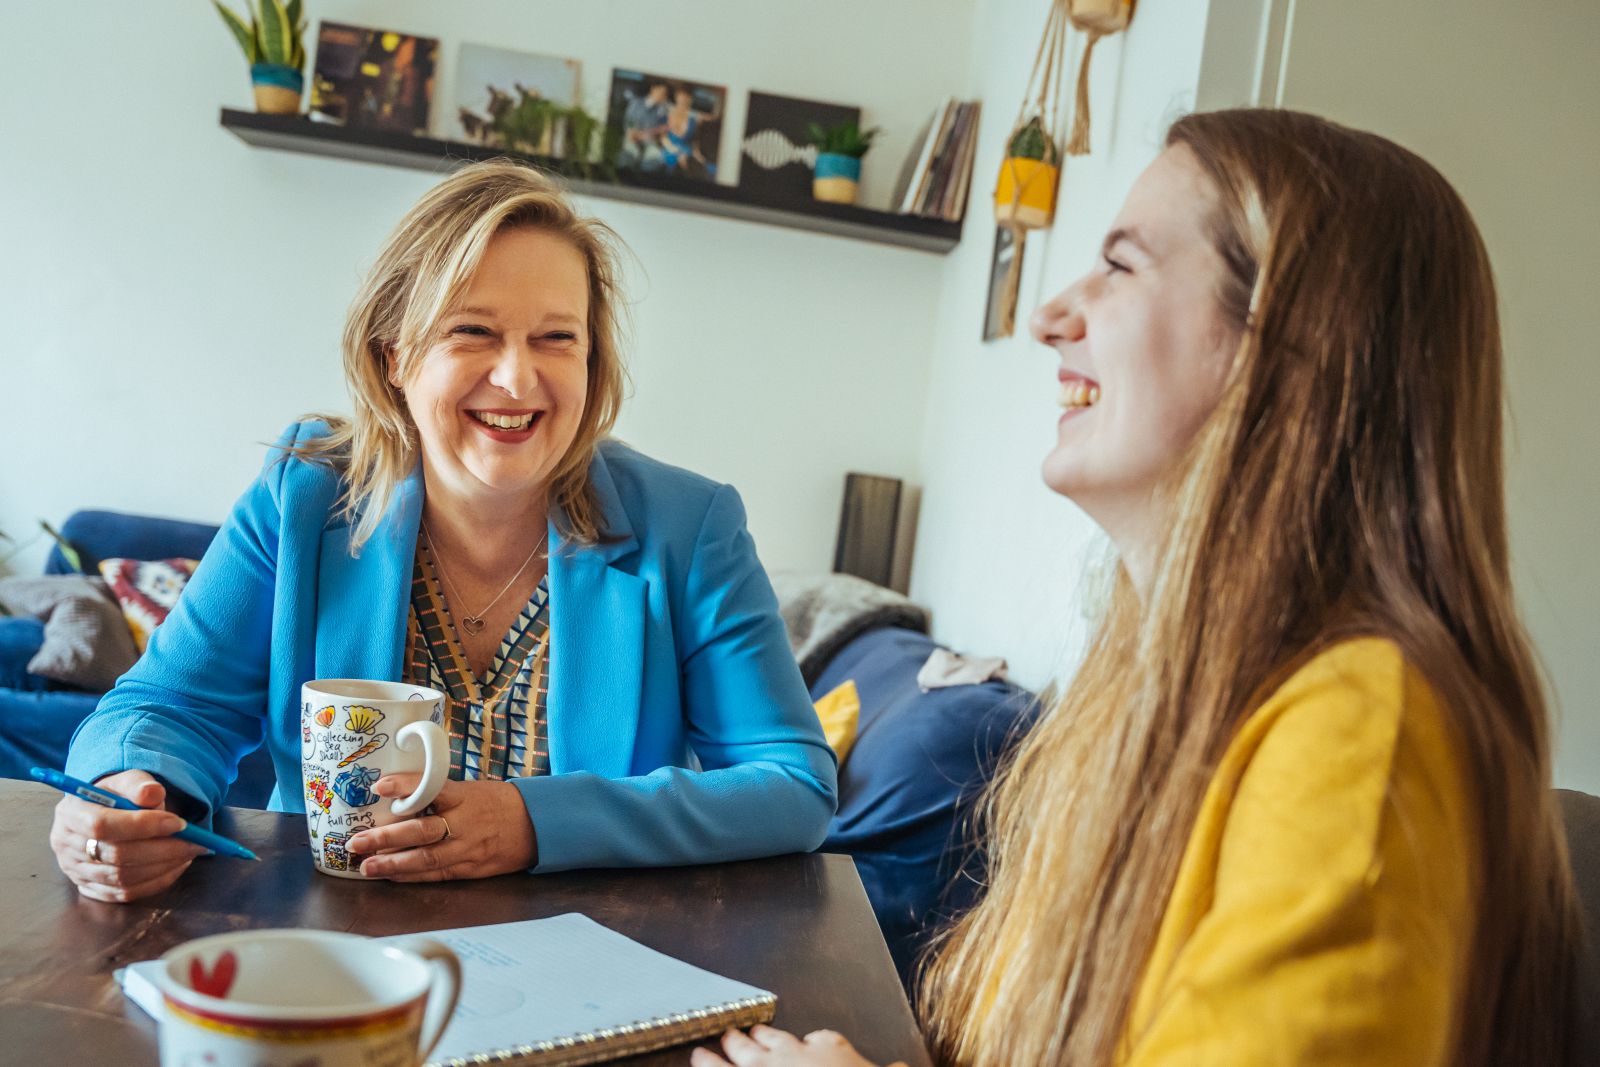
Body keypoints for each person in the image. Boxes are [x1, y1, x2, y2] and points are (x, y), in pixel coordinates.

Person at [693, 109, 1581, 1066]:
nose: (1048, 317)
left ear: (1287, 344)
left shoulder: (1363, 730)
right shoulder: (1155, 697)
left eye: (1120, 265)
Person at [49, 160, 837, 903]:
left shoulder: (688, 525)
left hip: (589, 953)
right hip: (329, 939)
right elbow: (166, 708)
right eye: (473, 331)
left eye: (556, 337)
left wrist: (533, 821)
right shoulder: (304, 495)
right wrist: (131, 793)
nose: (519, 378)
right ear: (394, 355)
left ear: (593, 362)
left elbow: (794, 783)